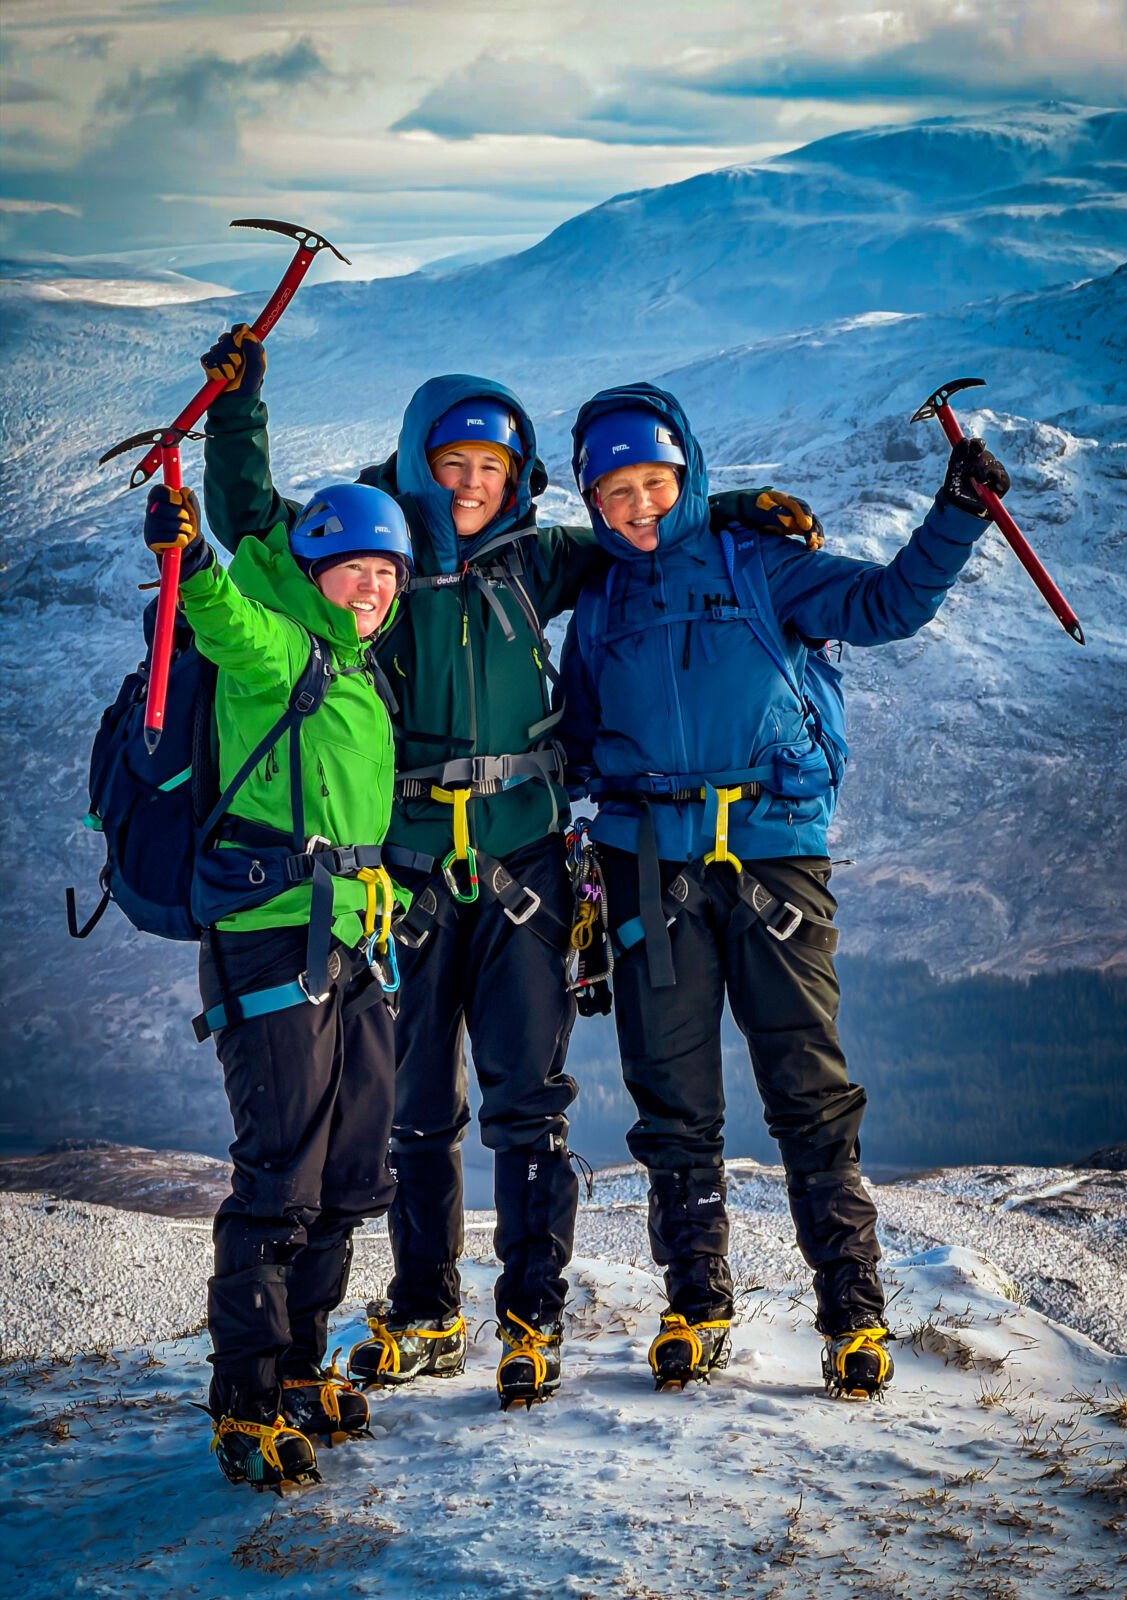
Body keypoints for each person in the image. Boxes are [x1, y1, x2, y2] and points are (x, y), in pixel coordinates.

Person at [198, 326, 812, 1408]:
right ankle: (429, 1307)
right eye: (454, 464)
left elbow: (652, 526)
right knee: (417, 1109)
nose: (475, 484)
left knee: (529, 1101)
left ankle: (533, 1314)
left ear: (518, 477)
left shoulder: (538, 556)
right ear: (417, 465)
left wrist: (748, 504)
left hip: (524, 868)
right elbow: (250, 526)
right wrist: (238, 412)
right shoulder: (372, 554)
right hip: (406, 877)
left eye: (493, 467)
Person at [556, 382, 1011, 1398]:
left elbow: (887, 602)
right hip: (646, 875)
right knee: (672, 1103)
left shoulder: (761, 564)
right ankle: (697, 1306)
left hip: (773, 867)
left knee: (808, 1092)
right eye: (616, 491)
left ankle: (853, 1316)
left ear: (690, 477)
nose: (640, 507)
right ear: (590, 499)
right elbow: (577, 742)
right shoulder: (599, 604)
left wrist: (958, 516)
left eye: (657, 483)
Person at [142, 474, 413, 1484]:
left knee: (348, 1171)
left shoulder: (357, 671)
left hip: (353, 943)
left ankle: (298, 1368)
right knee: (280, 1177)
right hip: (270, 940)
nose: (373, 587)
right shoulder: (280, 648)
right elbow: (219, 613)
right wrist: (188, 557)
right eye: (356, 569)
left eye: (388, 572)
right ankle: (245, 1403)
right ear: (313, 571)